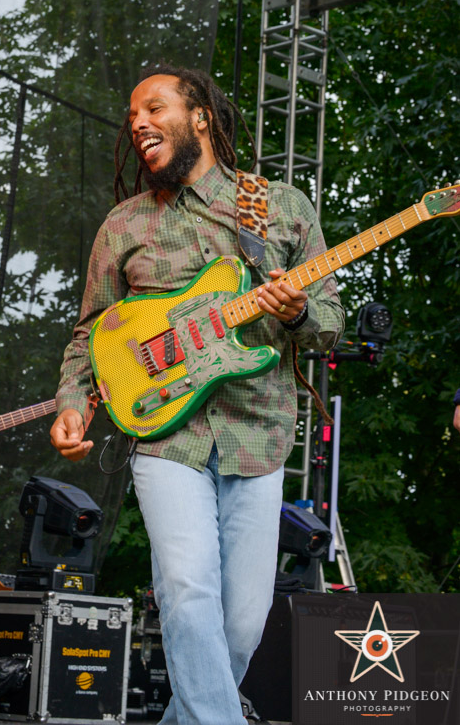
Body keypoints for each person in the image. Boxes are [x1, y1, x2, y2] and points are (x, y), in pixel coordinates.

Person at [50, 66, 345, 725]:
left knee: (240, 626)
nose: (137, 124)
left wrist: (297, 311)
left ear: (200, 117)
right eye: (131, 117)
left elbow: (327, 326)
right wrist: (74, 401)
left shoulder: (277, 207)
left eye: (152, 107)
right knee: (185, 592)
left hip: (258, 435)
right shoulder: (123, 225)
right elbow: (88, 335)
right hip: (162, 435)